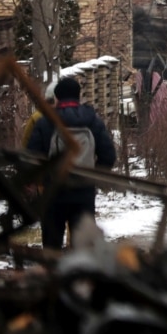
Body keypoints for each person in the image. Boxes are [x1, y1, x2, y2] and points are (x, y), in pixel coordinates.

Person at [27, 77, 117, 250]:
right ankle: (80, 276)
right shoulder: (92, 121)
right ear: (79, 95)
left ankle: (52, 275)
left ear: (57, 97)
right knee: (83, 248)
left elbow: (32, 157)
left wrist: (41, 180)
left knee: (51, 247)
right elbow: (108, 156)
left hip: (53, 193)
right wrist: (93, 176)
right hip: (84, 193)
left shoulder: (46, 122)